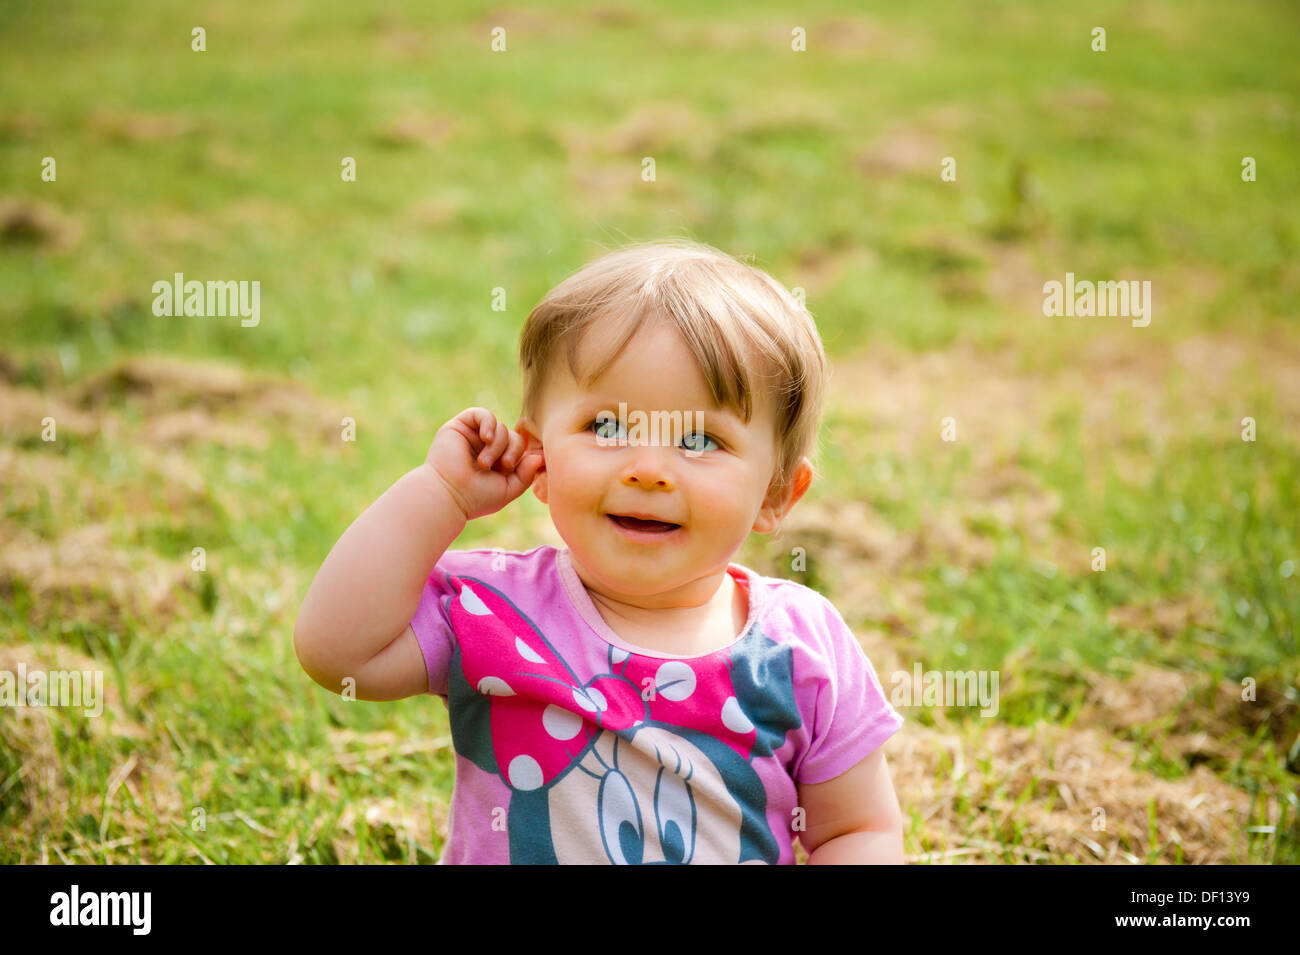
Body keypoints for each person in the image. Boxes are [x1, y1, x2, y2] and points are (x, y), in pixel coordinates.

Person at [294, 237, 905, 864]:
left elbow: (855, 830)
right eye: (606, 427)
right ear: (540, 457)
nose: (647, 470)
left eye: (698, 439)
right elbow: (339, 653)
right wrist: (442, 495)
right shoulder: (496, 611)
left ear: (776, 491)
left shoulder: (800, 649)